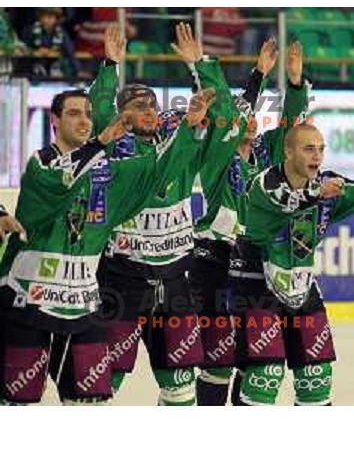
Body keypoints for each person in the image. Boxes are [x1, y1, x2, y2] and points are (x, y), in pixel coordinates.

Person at [0, 64, 213, 405]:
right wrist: (100, 137)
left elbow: (156, 172)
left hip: (82, 308)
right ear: (53, 120)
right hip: (29, 304)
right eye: (73, 114)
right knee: (17, 404)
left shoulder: (110, 171)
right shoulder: (40, 164)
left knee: (94, 402)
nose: (84, 120)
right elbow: (61, 182)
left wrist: (188, 128)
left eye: (87, 114)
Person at [90, 24, 242, 406]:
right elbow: (98, 111)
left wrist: (201, 66)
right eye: (139, 106)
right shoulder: (114, 150)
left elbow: (223, 115)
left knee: (180, 387)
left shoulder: (182, 139)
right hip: (123, 281)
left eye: (154, 105)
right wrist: (110, 65)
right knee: (103, 381)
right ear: (120, 114)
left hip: (175, 283)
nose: (150, 111)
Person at [230, 123, 354, 406]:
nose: (316, 156)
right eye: (308, 149)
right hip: (255, 286)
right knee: (265, 376)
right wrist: (318, 194)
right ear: (288, 151)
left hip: (302, 287)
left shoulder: (327, 185)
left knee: (316, 377)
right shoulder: (263, 183)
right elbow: (286, 202)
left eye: (321, 149)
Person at [172, 25, 311, 405]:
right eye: (240, 117)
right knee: (217, 360)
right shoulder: (219, 156)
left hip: (257, 263)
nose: (249, 120)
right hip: (215, 258)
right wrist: (201, 65)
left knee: (256, 358)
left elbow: (293, 130)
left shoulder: (268, 155)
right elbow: (223, 111)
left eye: (253, 117)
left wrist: (294, 84)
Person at [22, 8, 78, 78]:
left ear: (56, 19)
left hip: (57, 66)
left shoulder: (61, 33)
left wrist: (77, 70)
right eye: (45, 16)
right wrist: (35, 52)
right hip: (34, 65)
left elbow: (69, 51)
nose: (47, 20)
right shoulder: (31, 31)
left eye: (51, 17)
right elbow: (23, 49)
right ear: (40, 18)